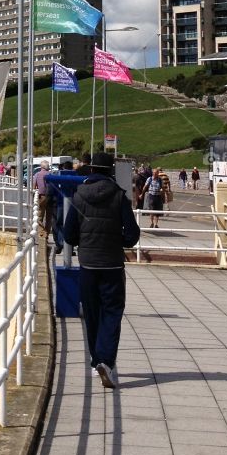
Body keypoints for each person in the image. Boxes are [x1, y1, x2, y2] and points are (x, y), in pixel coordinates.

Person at [63, 151, 140, 389]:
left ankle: (97, 360)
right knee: (112, 312)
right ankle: (105, 361)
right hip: (113, 265)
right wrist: (120, 242)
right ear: (110, 172)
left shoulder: (78, 196)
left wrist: (83, 242)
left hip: (87, 265)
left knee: (93, 313)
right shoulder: (119, 197)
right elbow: (132, 235)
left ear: (92, 169)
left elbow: (68, 234)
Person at [33, 159, 52, 229]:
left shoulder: (37, 174)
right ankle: (47, 233)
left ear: (41, 167)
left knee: (40, 216)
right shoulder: (50, 174)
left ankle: (41, 233)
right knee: (49, 217)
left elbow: (34, 186)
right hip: (50, 197)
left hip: (41, 197)